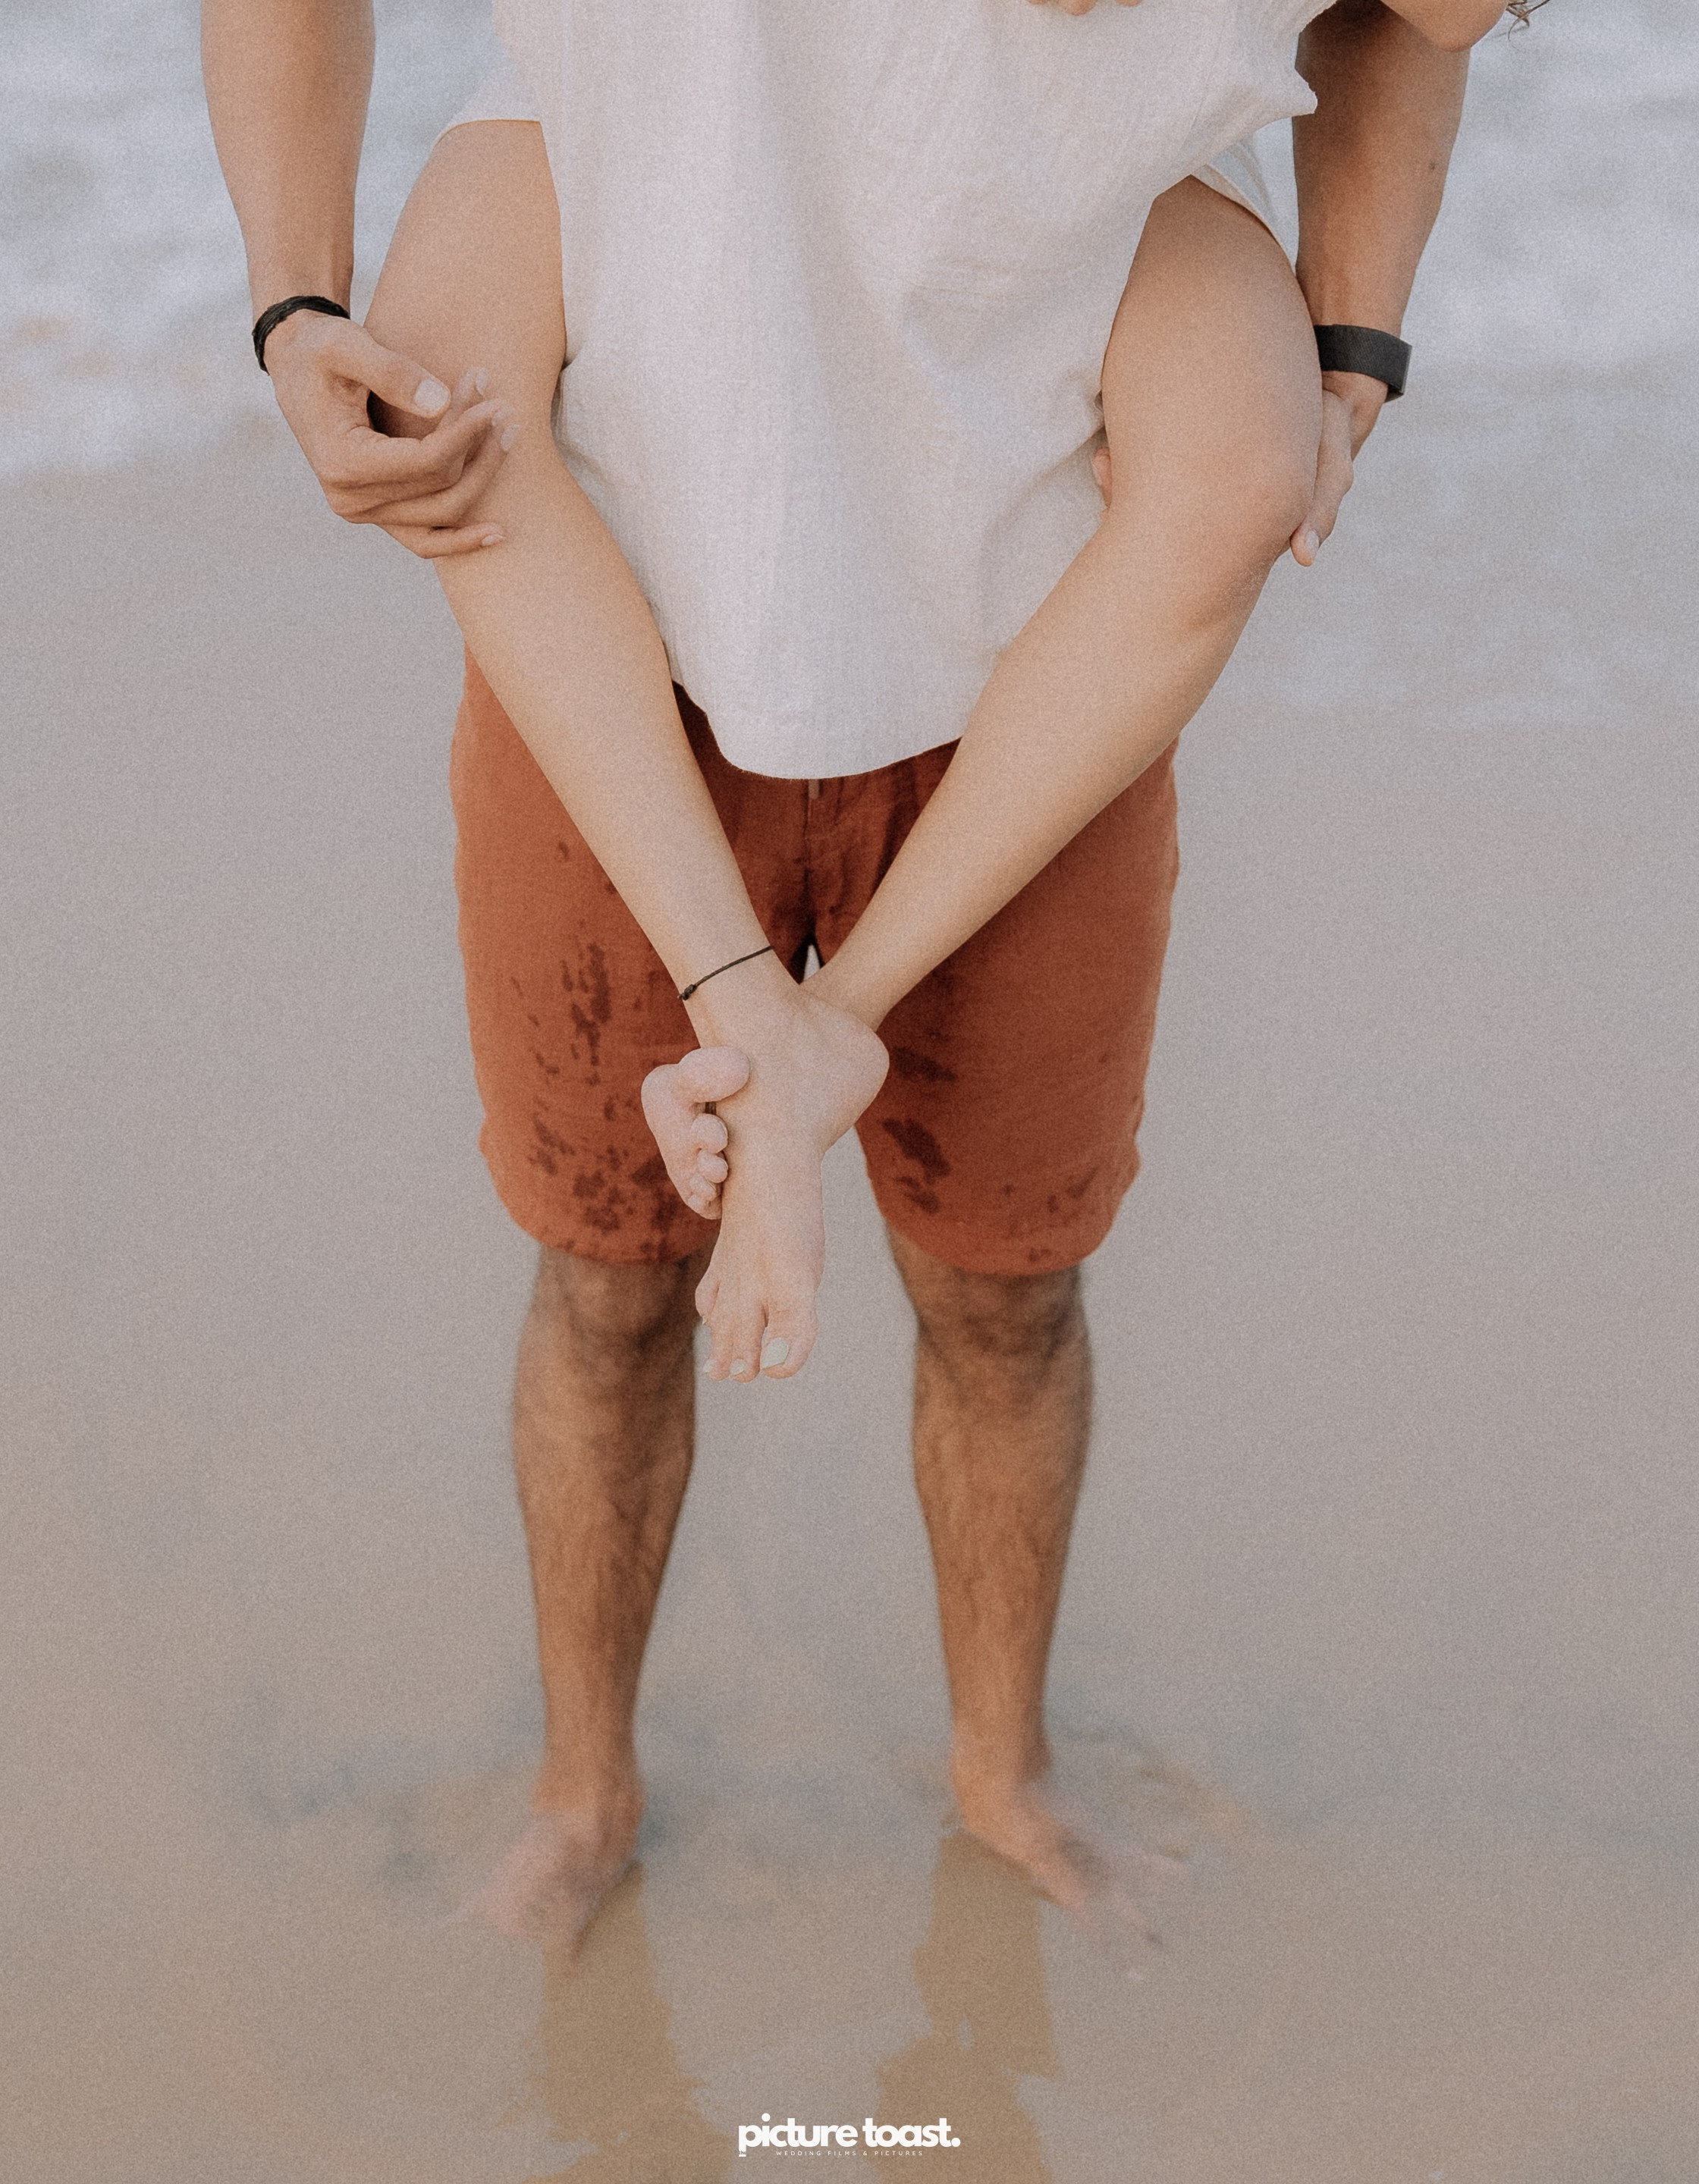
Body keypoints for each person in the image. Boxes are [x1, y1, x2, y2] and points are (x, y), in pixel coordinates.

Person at [204, 0, 1500, 1950]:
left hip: (1035, 676)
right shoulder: (574, 150)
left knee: (1007, 1301)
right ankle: (583, 1798)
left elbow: (1411, 33)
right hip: (626, 659)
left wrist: (1353, 338)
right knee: (606, 1289)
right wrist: (296, 304)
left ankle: (1003, 1775)